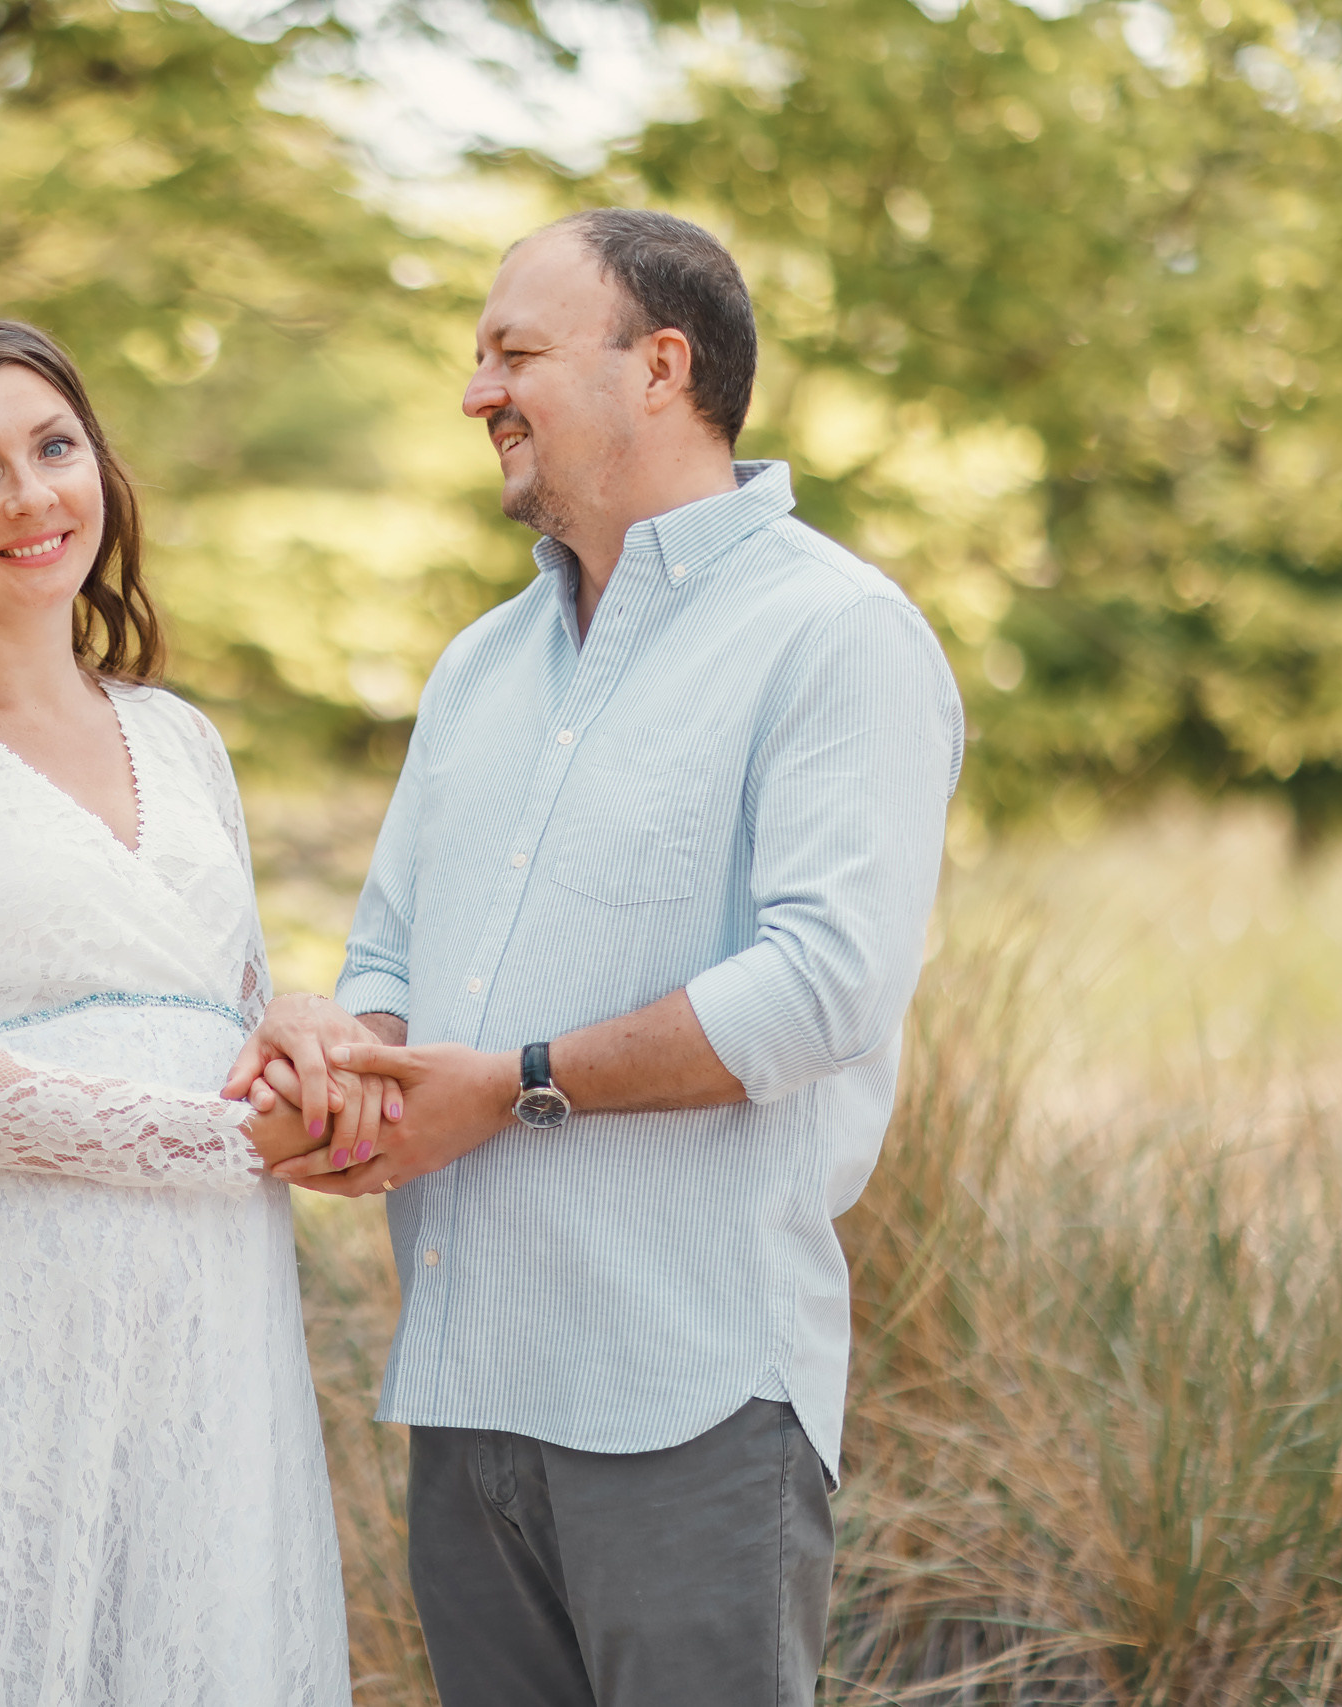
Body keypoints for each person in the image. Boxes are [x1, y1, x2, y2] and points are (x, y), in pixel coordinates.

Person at [225, 209, 965, 1705]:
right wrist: (347, 1072)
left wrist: (512, 1086)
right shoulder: (478, 665)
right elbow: (388, 955)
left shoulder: (837, 634)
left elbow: (822, 986)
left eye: (516, 353)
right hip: (467, 1391)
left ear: (660, 368)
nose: (475, 392)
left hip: (688, 1397)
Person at [0, 320, 353, 1706]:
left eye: (54, 448)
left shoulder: (182, 736)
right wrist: (222, 1143)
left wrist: (313, 1028)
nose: (32, 498)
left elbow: (238, 1006)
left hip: (206, 1313)